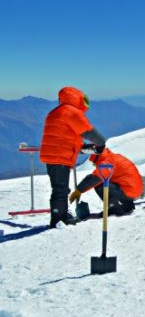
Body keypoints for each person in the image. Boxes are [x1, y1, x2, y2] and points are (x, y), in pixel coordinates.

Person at [39, 86, 107, 228]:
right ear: (78, 98)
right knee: (60, 189)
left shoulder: (56, 112)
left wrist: (82, 148)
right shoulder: (71, 112)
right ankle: (59, 219)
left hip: (54, 156)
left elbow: (65, 137)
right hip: (60, 157)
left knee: (60, 188)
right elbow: (88, 131)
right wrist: (101, 143)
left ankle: (61, 215)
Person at [69, 147, 143, 216]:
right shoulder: (114, 157)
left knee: (99, 185)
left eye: (94, 163)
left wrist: (78, 190)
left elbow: (96, 177)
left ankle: (114, 209)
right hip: (134, 189)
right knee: (113, 182)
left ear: (97, 158)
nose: (95, 165)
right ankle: (128, 206)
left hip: (128, 190)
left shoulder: (107, 162)